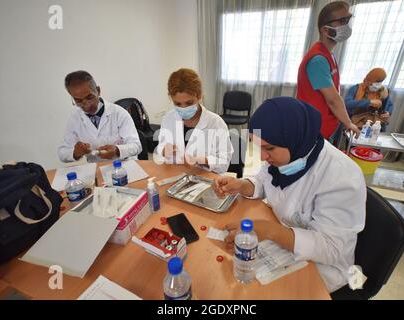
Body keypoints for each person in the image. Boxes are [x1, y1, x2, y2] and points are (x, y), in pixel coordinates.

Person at [212, 97, 366, 293]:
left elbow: (331, 248)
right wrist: (242, 185)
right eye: (257, 146)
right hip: (285, 246)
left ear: (294, 138)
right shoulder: (289, 152)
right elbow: (263, 182)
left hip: (324, 267)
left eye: (268, 148)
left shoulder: (341, 175)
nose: (261, 156)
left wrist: (270, 231)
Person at [297, 1, 359, 140]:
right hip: (314, 128)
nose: (347, 25)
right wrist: (348, 123)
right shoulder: (318, 59)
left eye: (349, 19)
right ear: (325, 30)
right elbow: (333, 99)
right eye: (343, 20)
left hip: (323, 125)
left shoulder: (328, 54)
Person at [155, 68, 233, 174]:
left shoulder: (215, 123)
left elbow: (224, 163)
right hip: (174, 176)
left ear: (199, 96)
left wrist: (202, 160)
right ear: (171, 98)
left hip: (204, 180)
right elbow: (161, 145)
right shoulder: (169, 118)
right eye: (177, 104)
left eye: (189, 103)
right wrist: (163, 150)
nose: (183, 108)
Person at [58, 71, 142, 163]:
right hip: (96, 169)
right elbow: (62, 153)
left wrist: (117, 150)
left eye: (89, 97)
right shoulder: (75, 119)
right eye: (78, 101)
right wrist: (76, 153)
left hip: (125, 166)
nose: (86, 104)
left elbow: (137, 146)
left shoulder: (119, 113)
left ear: (98, 91)